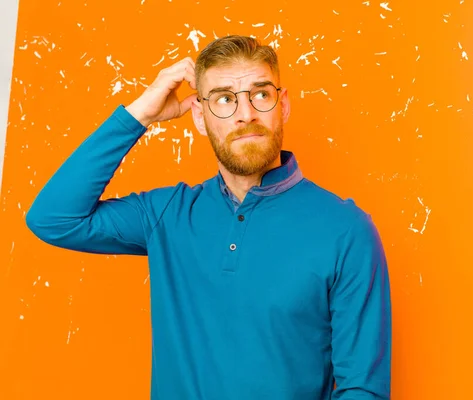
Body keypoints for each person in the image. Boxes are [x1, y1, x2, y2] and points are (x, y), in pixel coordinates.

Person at [26, 35, 392, 399]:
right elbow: (54, 219)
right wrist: (141, 114)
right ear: (199, 117)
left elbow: (363, 389)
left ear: (283, 105)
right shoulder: (166, 215)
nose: (245, 114)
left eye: (260, 94)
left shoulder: (346, 231)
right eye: (224, 100)